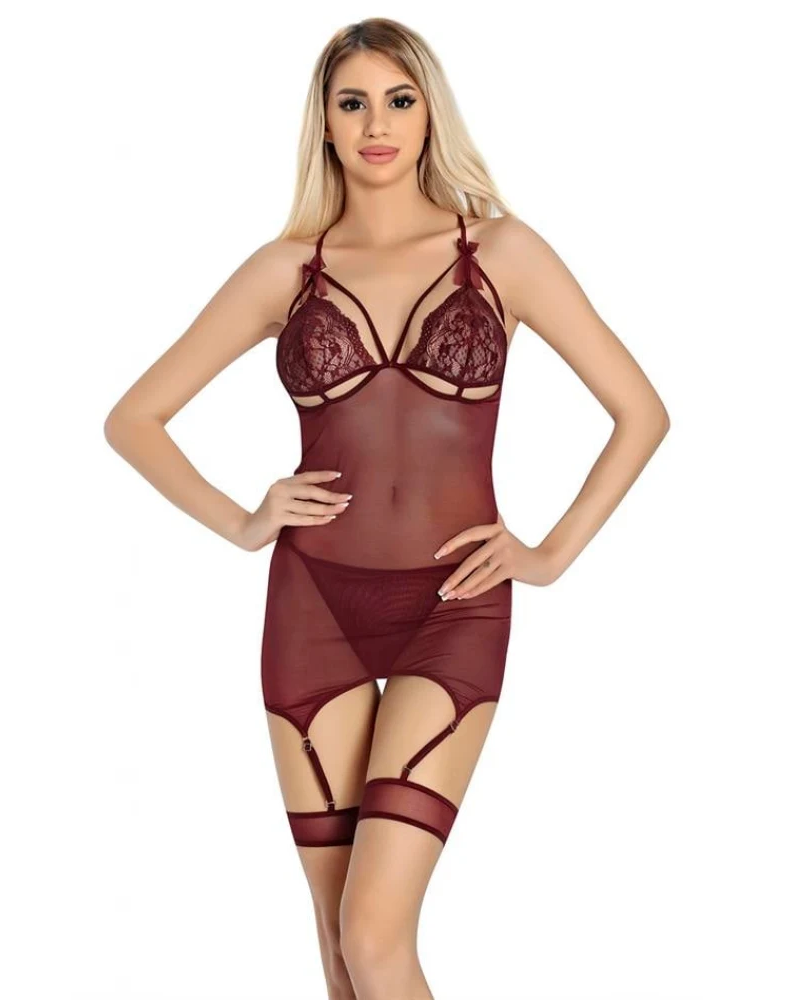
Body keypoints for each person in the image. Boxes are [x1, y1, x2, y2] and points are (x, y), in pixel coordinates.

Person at [104, 17, 670, 1000]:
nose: (377, 124)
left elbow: (640, 412)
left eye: (399, 100)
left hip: (454, 607)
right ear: (323, 122)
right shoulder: (285, 270)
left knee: (374, 937)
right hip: (312, 606)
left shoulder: (501, 251)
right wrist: (245, 519)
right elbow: (133, 419)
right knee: (337, 949)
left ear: (429, 114)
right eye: (353, 102)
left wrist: (548, 554)